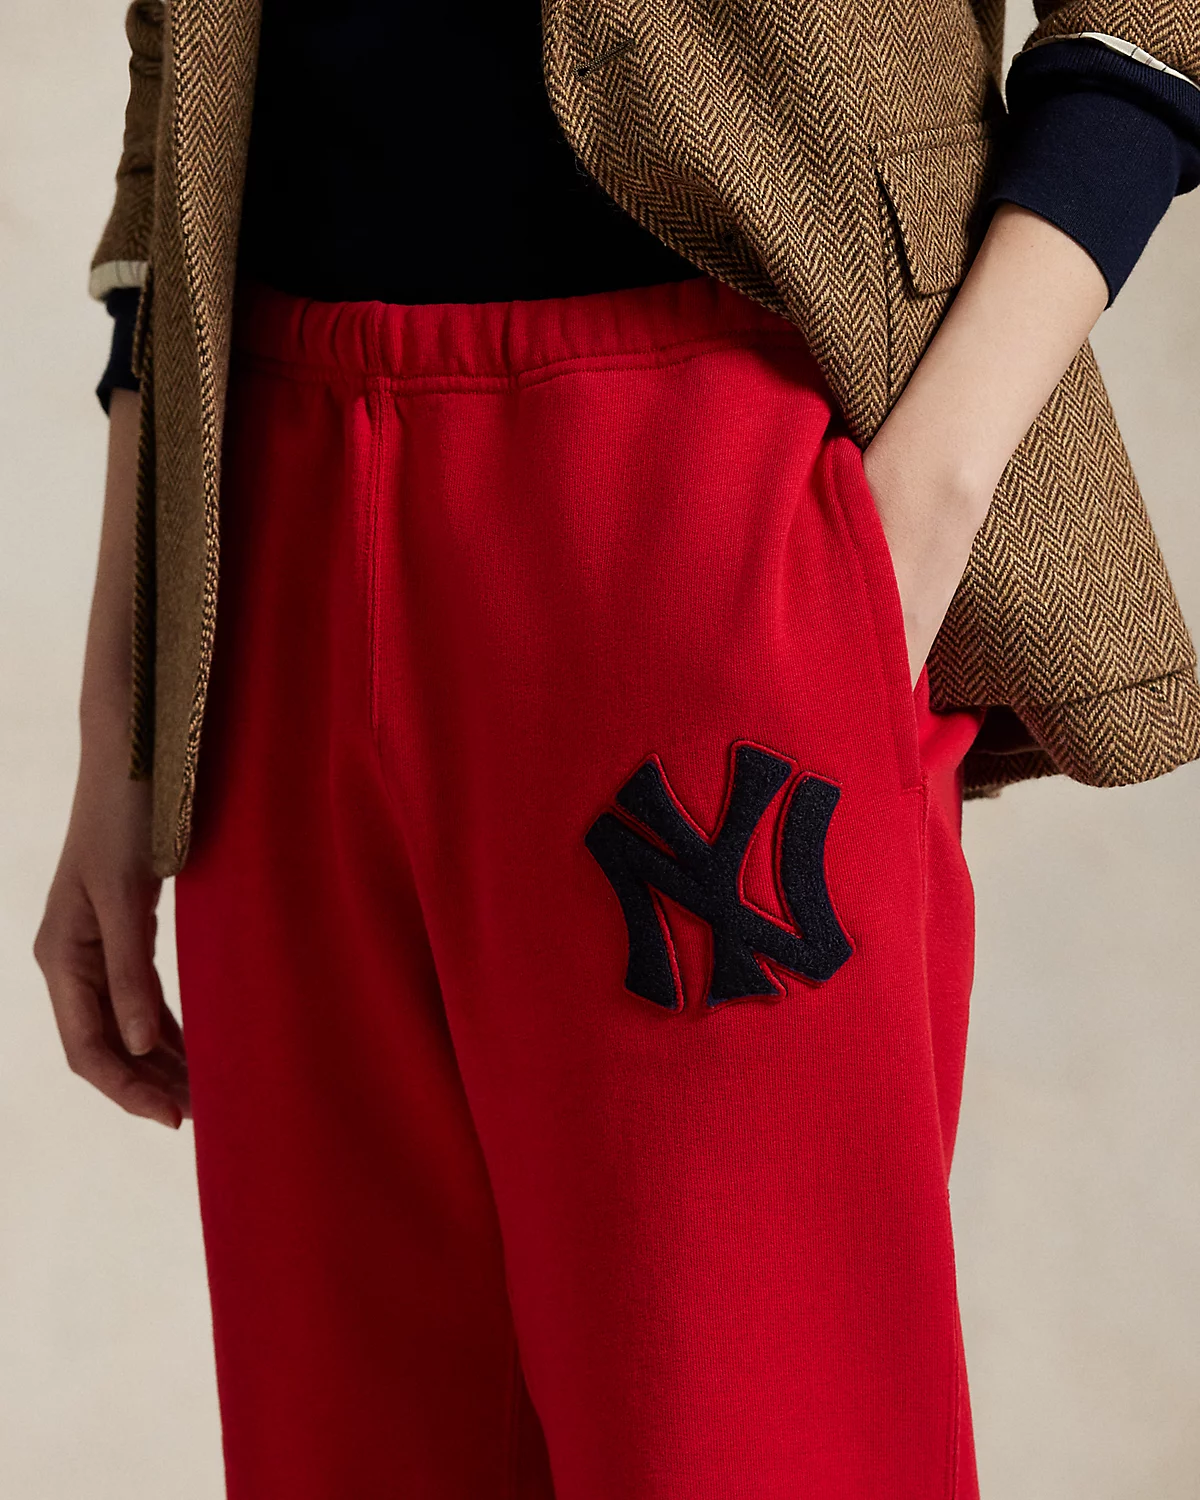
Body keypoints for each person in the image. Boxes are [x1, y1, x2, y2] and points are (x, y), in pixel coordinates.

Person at [33, 2, 1200, 1496]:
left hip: (706, 478)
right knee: (343, 1452)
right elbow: (179, 83)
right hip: (262, 534)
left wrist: (918, 505)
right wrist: (123, 717)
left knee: (752, 1444)